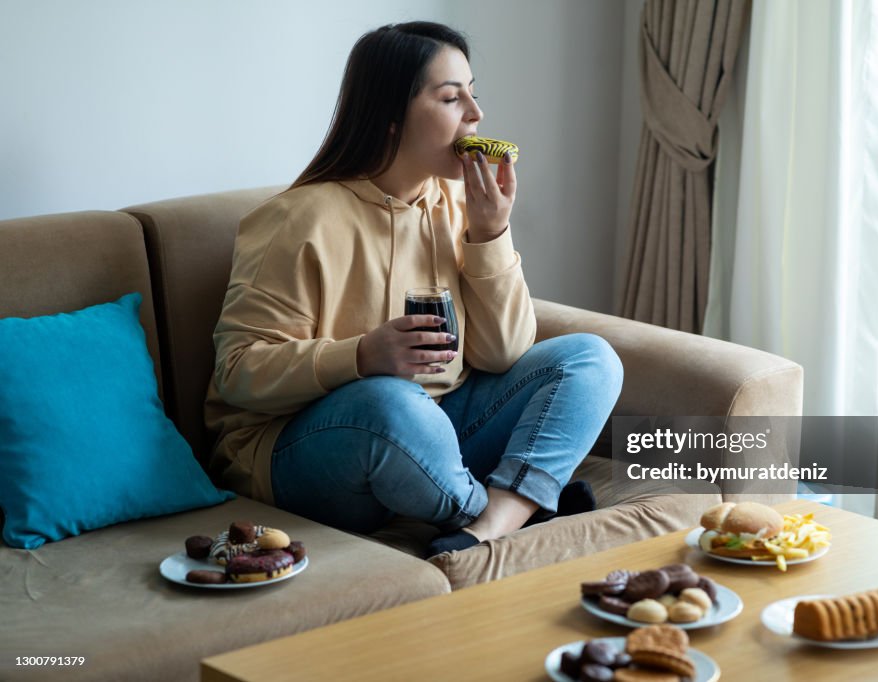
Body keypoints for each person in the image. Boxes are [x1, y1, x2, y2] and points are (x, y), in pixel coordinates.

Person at [205, 21, 623, 556]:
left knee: (590, 358)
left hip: (438, 432)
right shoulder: (297, 221)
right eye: (452, 98)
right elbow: (238, 371)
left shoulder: (457, 207)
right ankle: (517, 506)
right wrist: (360, 356)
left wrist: (489, 234)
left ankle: (493, 524)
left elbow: (503, 354)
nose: (475, 114)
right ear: (391, 117)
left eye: (474, 94)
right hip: (310, 450)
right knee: (391, 401)